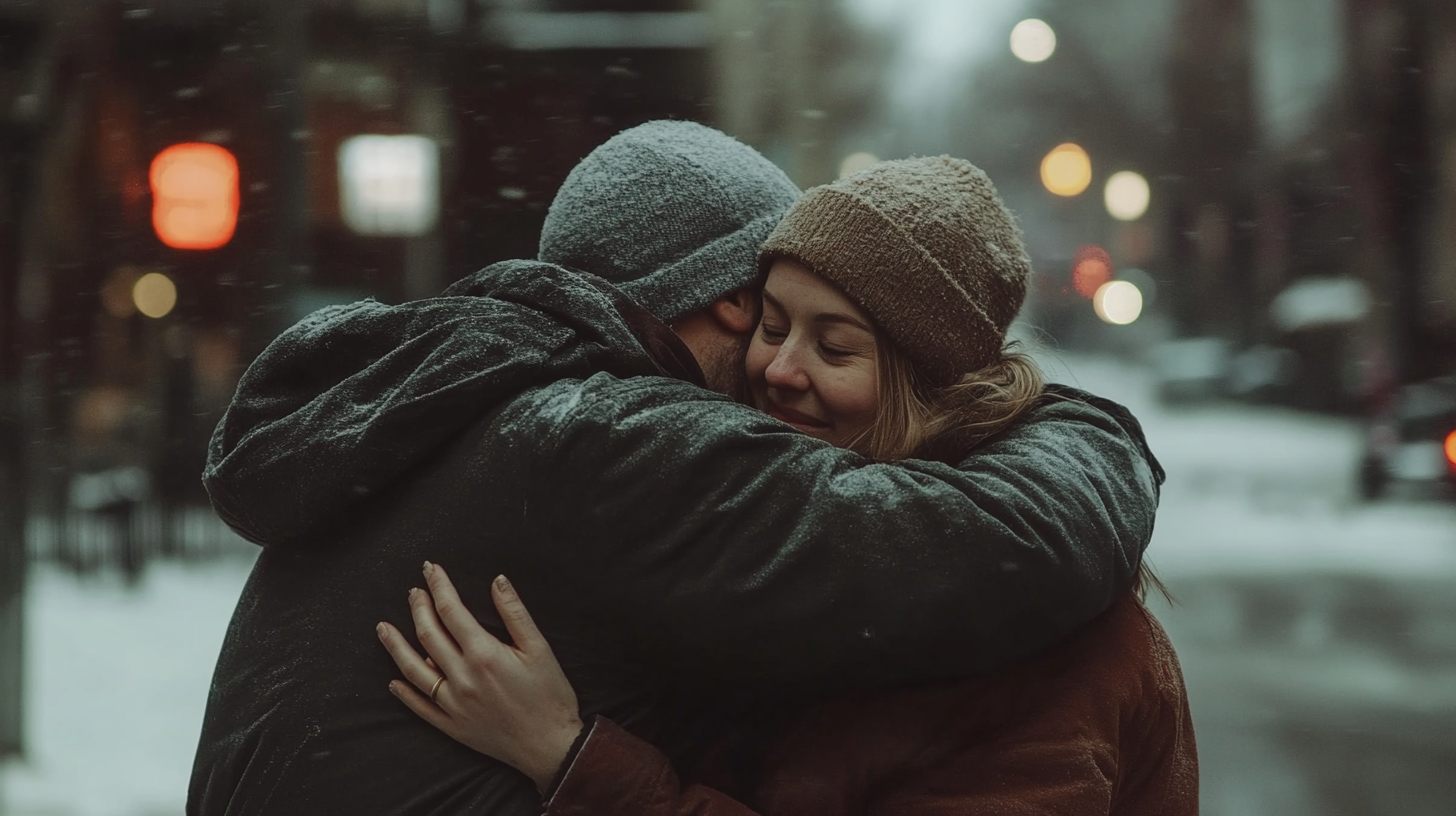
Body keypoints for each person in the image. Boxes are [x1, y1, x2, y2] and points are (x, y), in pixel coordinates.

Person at [188, 123, 1162, 816]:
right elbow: (987, 545)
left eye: (834, 341)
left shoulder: (463, 402)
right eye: (776, 322)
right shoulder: (612, 442)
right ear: (734, 302)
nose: (781, 373)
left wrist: (577, 761)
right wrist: (1095, 433)